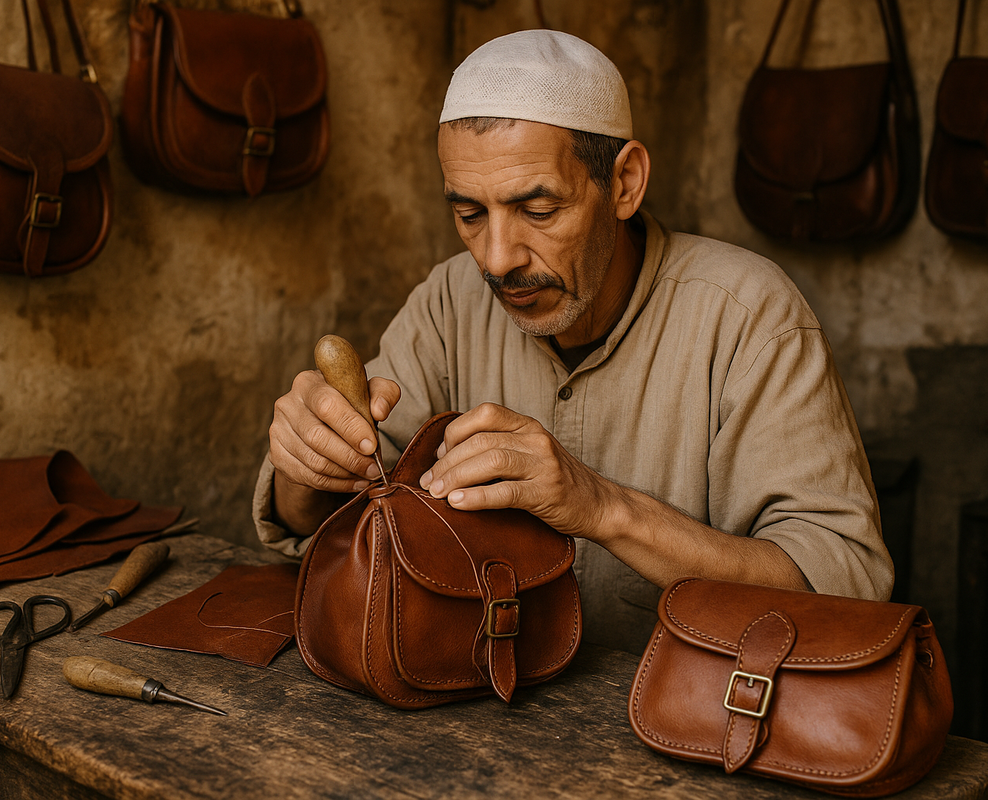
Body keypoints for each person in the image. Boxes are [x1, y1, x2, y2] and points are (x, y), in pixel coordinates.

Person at [253, 29, 892, 654]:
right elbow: (335, 519)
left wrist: (603, 507)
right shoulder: (451, 299)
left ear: (624, 183)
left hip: (689, 712)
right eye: (469, 215)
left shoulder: (750, 316)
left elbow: (846, 588)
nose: (497, 260)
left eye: (538, 211)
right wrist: (305, 467)